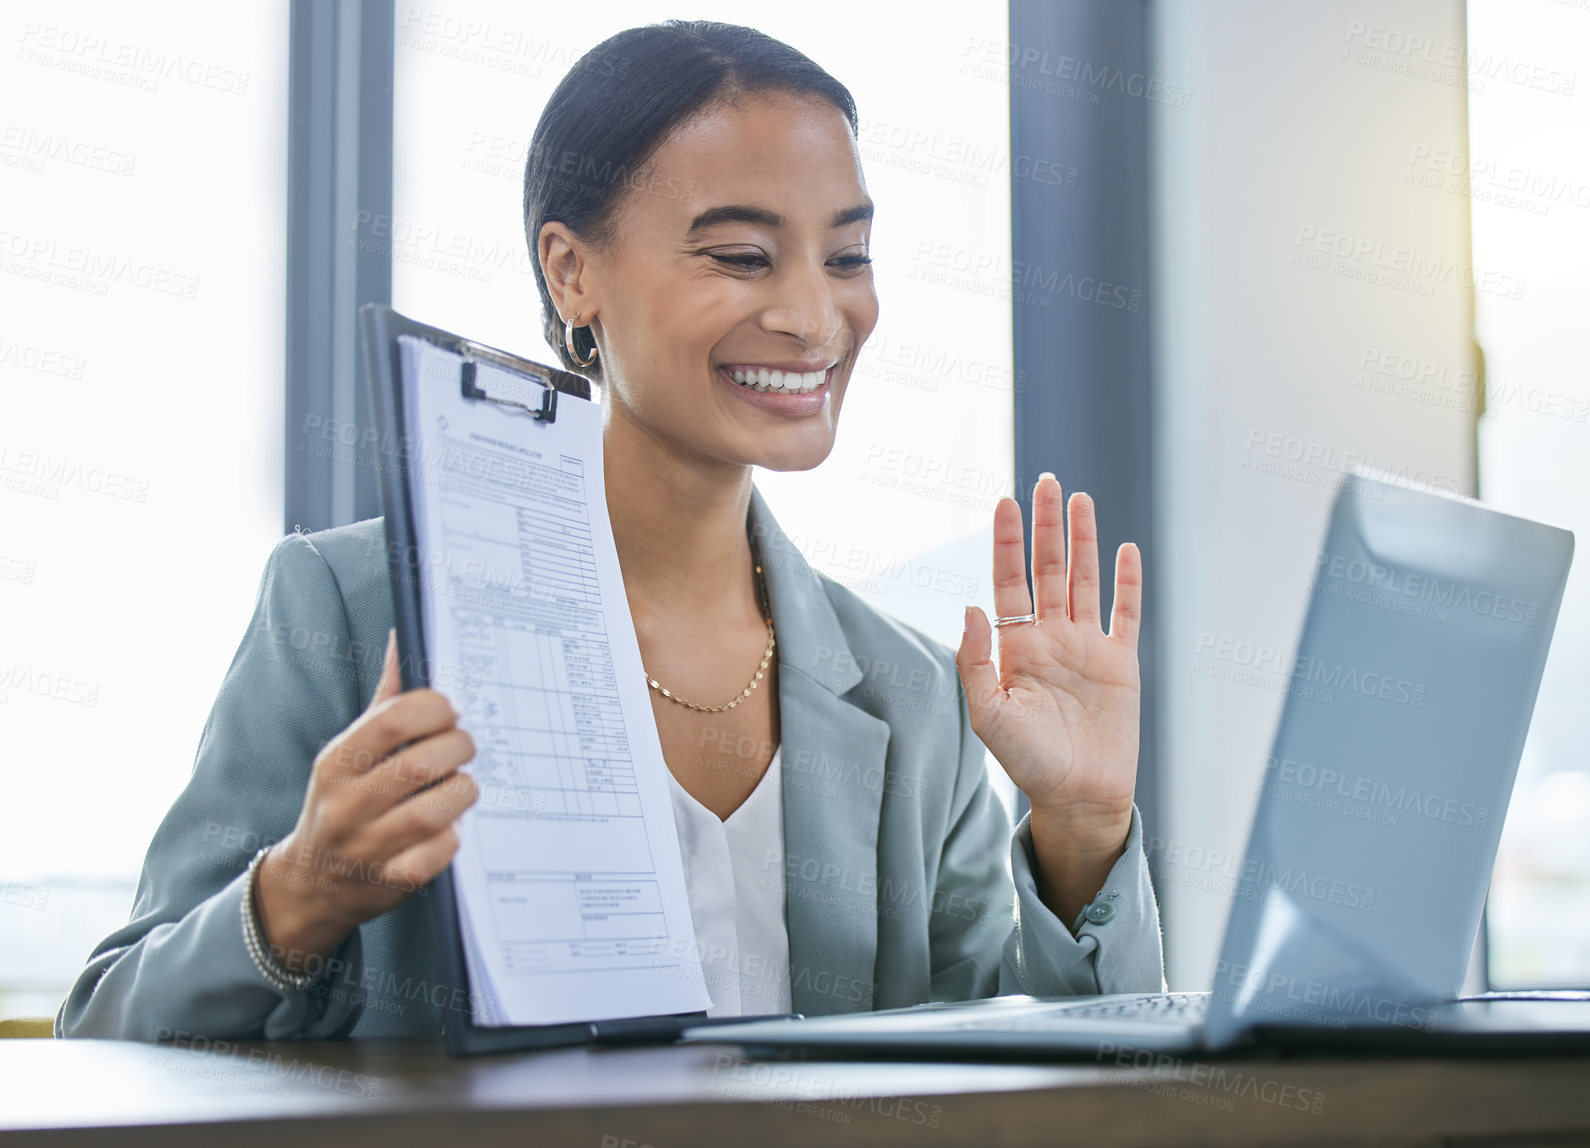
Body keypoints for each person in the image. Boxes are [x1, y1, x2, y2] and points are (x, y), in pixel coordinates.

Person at [57, 19, 1163, 1041]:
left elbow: (1023, 1083)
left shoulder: (914, 695)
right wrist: (300, 890)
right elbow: (107, 1027)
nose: (814, 314)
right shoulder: (348, 607)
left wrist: (1080, 828)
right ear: (570, 269)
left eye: (847, 255)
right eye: (740, 255)